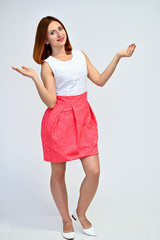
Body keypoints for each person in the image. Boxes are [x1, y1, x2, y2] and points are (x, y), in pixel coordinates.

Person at [12, 16, 136, 240]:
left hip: (83, 116)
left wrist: (117, 57)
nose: (59, 33)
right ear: (45, 40)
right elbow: (51, 101)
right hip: (59, 120)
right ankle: (66, 220)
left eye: (60, 28)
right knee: (58, 172)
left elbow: (99, 80)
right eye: (52, 32)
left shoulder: (80, 55)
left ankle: (80, 213)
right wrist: (34, 78)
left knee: (94, 171)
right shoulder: (48, 65)